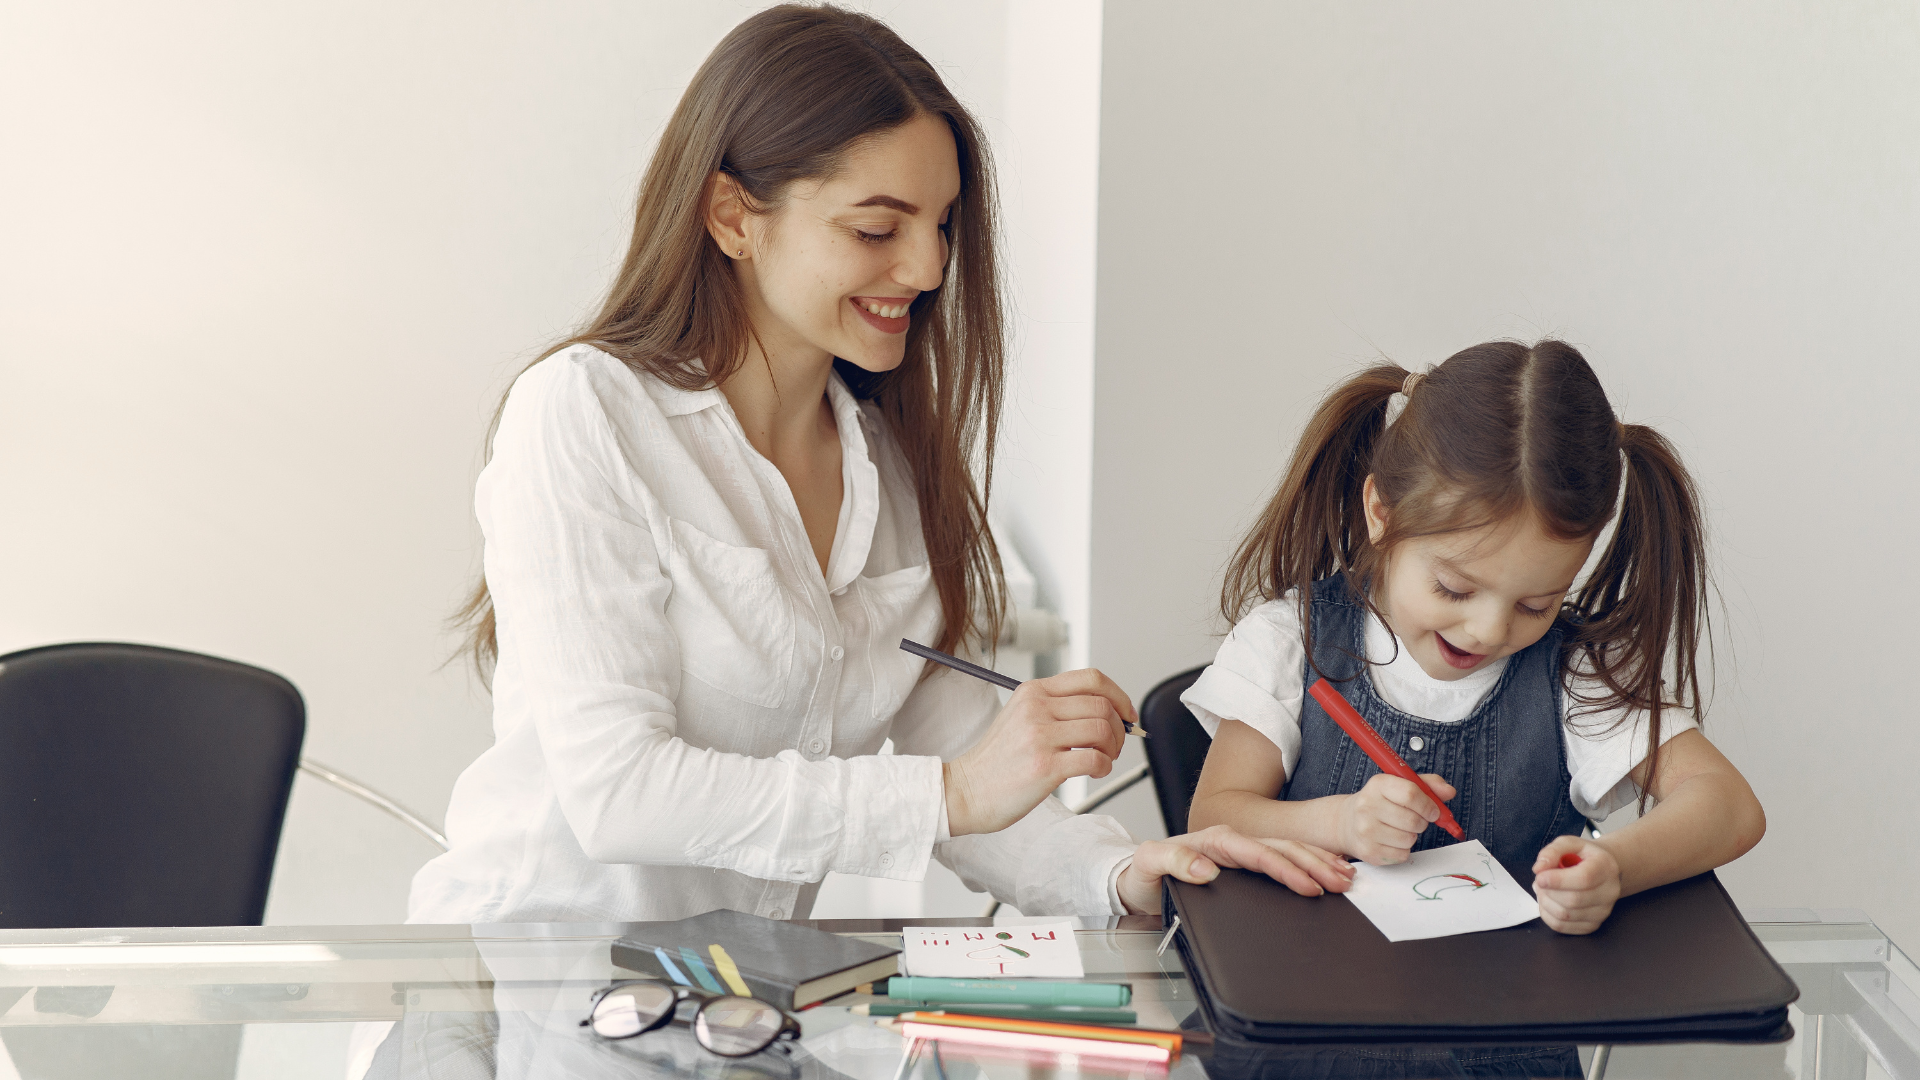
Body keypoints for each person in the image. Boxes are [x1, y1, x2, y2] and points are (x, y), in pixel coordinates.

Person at [404, 4, 1347, 936]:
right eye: (875, 229)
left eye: (941, 225)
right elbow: (621, 794)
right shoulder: (586, 411)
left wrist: (1122, 874)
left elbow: (957, 749)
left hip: (732, 1012)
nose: (930, 268)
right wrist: (950, 793)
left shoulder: (888, 468)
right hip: (527, 986)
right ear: (733, 216)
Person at [1184, 340, 1766, 935]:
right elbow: (1213, 815)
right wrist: (1339, 823)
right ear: (1381, 514)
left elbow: (1729, 806)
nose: (1489, 630)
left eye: (1536, 604)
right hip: (1315, 1008)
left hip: (1510, 1015)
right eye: (1455, 589)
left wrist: (1615, 866)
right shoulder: (1291, 642)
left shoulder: (1574, 673)